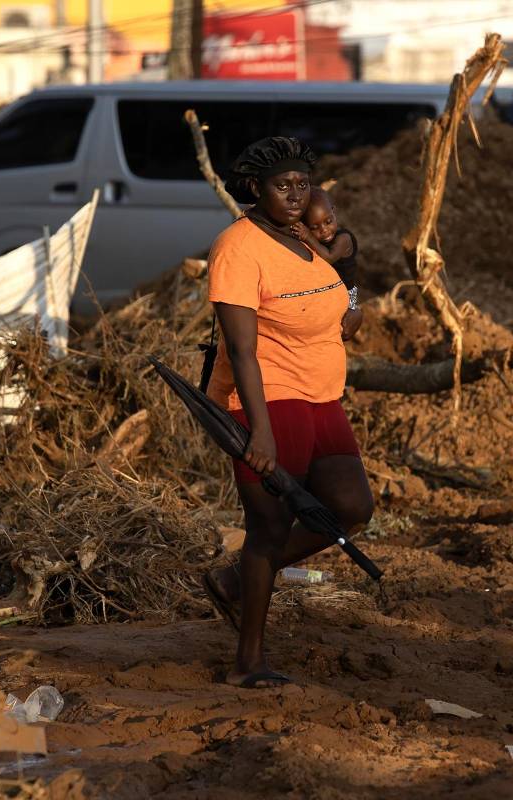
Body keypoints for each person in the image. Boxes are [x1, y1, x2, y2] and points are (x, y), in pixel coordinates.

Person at [199, 137, 375, 688]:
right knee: (268, 532)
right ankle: (247, 661)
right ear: (255, 189)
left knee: (351, 507)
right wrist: (262, 432)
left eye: (303, 184)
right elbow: (242, 351)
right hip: (270, 400)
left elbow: (337, 287)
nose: (296, 194)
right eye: (282, 185)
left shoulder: (302, 242)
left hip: (323, 396)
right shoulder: (238, 248)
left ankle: (233, 581)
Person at [290, 187, 363, 341]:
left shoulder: (344, 239)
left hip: (349, 292)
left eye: (328, 221)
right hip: (333, 290)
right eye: (314, 228)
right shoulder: (320, 241)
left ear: (333, 211)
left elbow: (329, 257)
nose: (324, 230)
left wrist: (308, 236)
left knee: (343, 327)